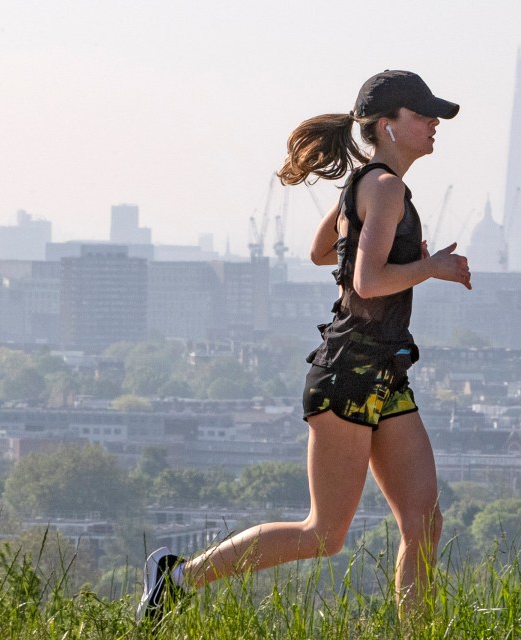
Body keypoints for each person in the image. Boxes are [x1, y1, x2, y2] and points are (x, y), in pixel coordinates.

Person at [137, 69, 471, 623]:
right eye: (423, 114)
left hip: (383, 373)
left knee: (424, 522)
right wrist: (428, 267)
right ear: (387, 125)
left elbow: (324, 252)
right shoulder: (384, 187)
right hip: (349, 375)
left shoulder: (371, 184)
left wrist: (389, 251)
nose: (435, 123)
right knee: (324, 534)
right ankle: (179, 577)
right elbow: (365, 283)